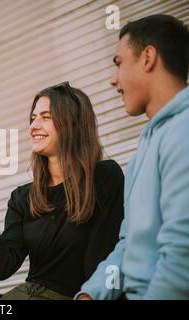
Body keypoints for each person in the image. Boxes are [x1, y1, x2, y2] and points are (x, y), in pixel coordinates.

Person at [0, 81, 124, 299]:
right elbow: (2, 267)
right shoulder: (23, 197)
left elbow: (106, 254)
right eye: (33, 118)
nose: (33, 126)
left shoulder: (104, 177)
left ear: (73, 123)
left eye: (45, 117)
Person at [77, 14, 189, 300]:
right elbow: (129, 248)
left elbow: (182, 256)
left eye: (118, 63)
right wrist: (91, 294)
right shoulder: (143, 152)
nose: (113, 80)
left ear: (148, 57)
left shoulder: (183, 130)